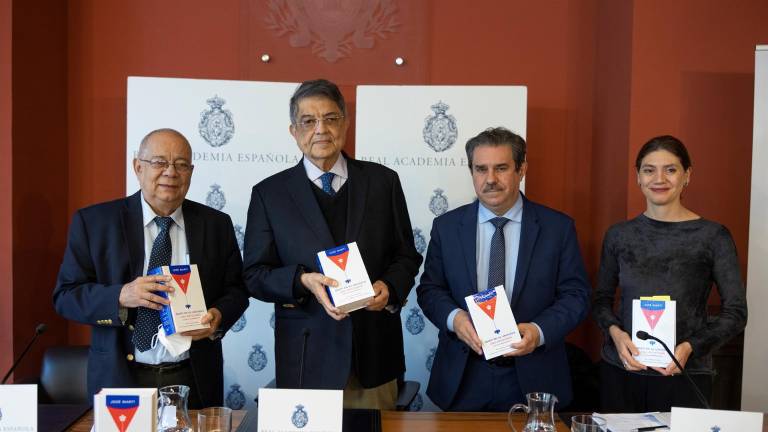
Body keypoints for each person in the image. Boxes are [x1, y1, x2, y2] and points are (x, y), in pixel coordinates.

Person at [242, 79, 422, 410]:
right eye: (308, 121)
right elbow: (255, 275)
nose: (321, 129)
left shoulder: (383, 182)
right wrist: (301, 281)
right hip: (306, 359)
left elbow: (406, 255)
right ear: (294, 131)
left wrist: (389, 287)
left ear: (346, 123)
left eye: (330, 118)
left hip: (374, 357)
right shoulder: (269, 194)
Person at [53, 128, 248, 408]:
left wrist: (217, 317)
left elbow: (237, 290)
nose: (171, 172)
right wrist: (121, 295)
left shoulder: (216, 224)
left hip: (193, 379)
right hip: (120, 378)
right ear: (138, 167)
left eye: (181, 164)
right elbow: (66, 296)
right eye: (159, 162)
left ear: (191, 172)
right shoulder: (95, 223)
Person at [416, 127, 590, 411]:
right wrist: (455, 319)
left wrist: (538, 331)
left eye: (501, 168)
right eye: (481, 169)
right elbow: (430, 289)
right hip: (464, 375)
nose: (490, 179)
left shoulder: (557, 228)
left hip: (534, 375)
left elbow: (576, 296)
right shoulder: (446, 227)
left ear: (522, 169)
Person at [592, 135, 748, 412]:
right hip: (623, 371)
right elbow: (600, 300)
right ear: (638, 177)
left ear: (687, 175)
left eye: (671, 169)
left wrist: (690, 347)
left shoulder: (713, 236)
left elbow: (736, 313)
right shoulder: (619, 235)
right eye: (649, 170)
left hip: (686, 375)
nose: (659, 179)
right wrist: (616, 334)